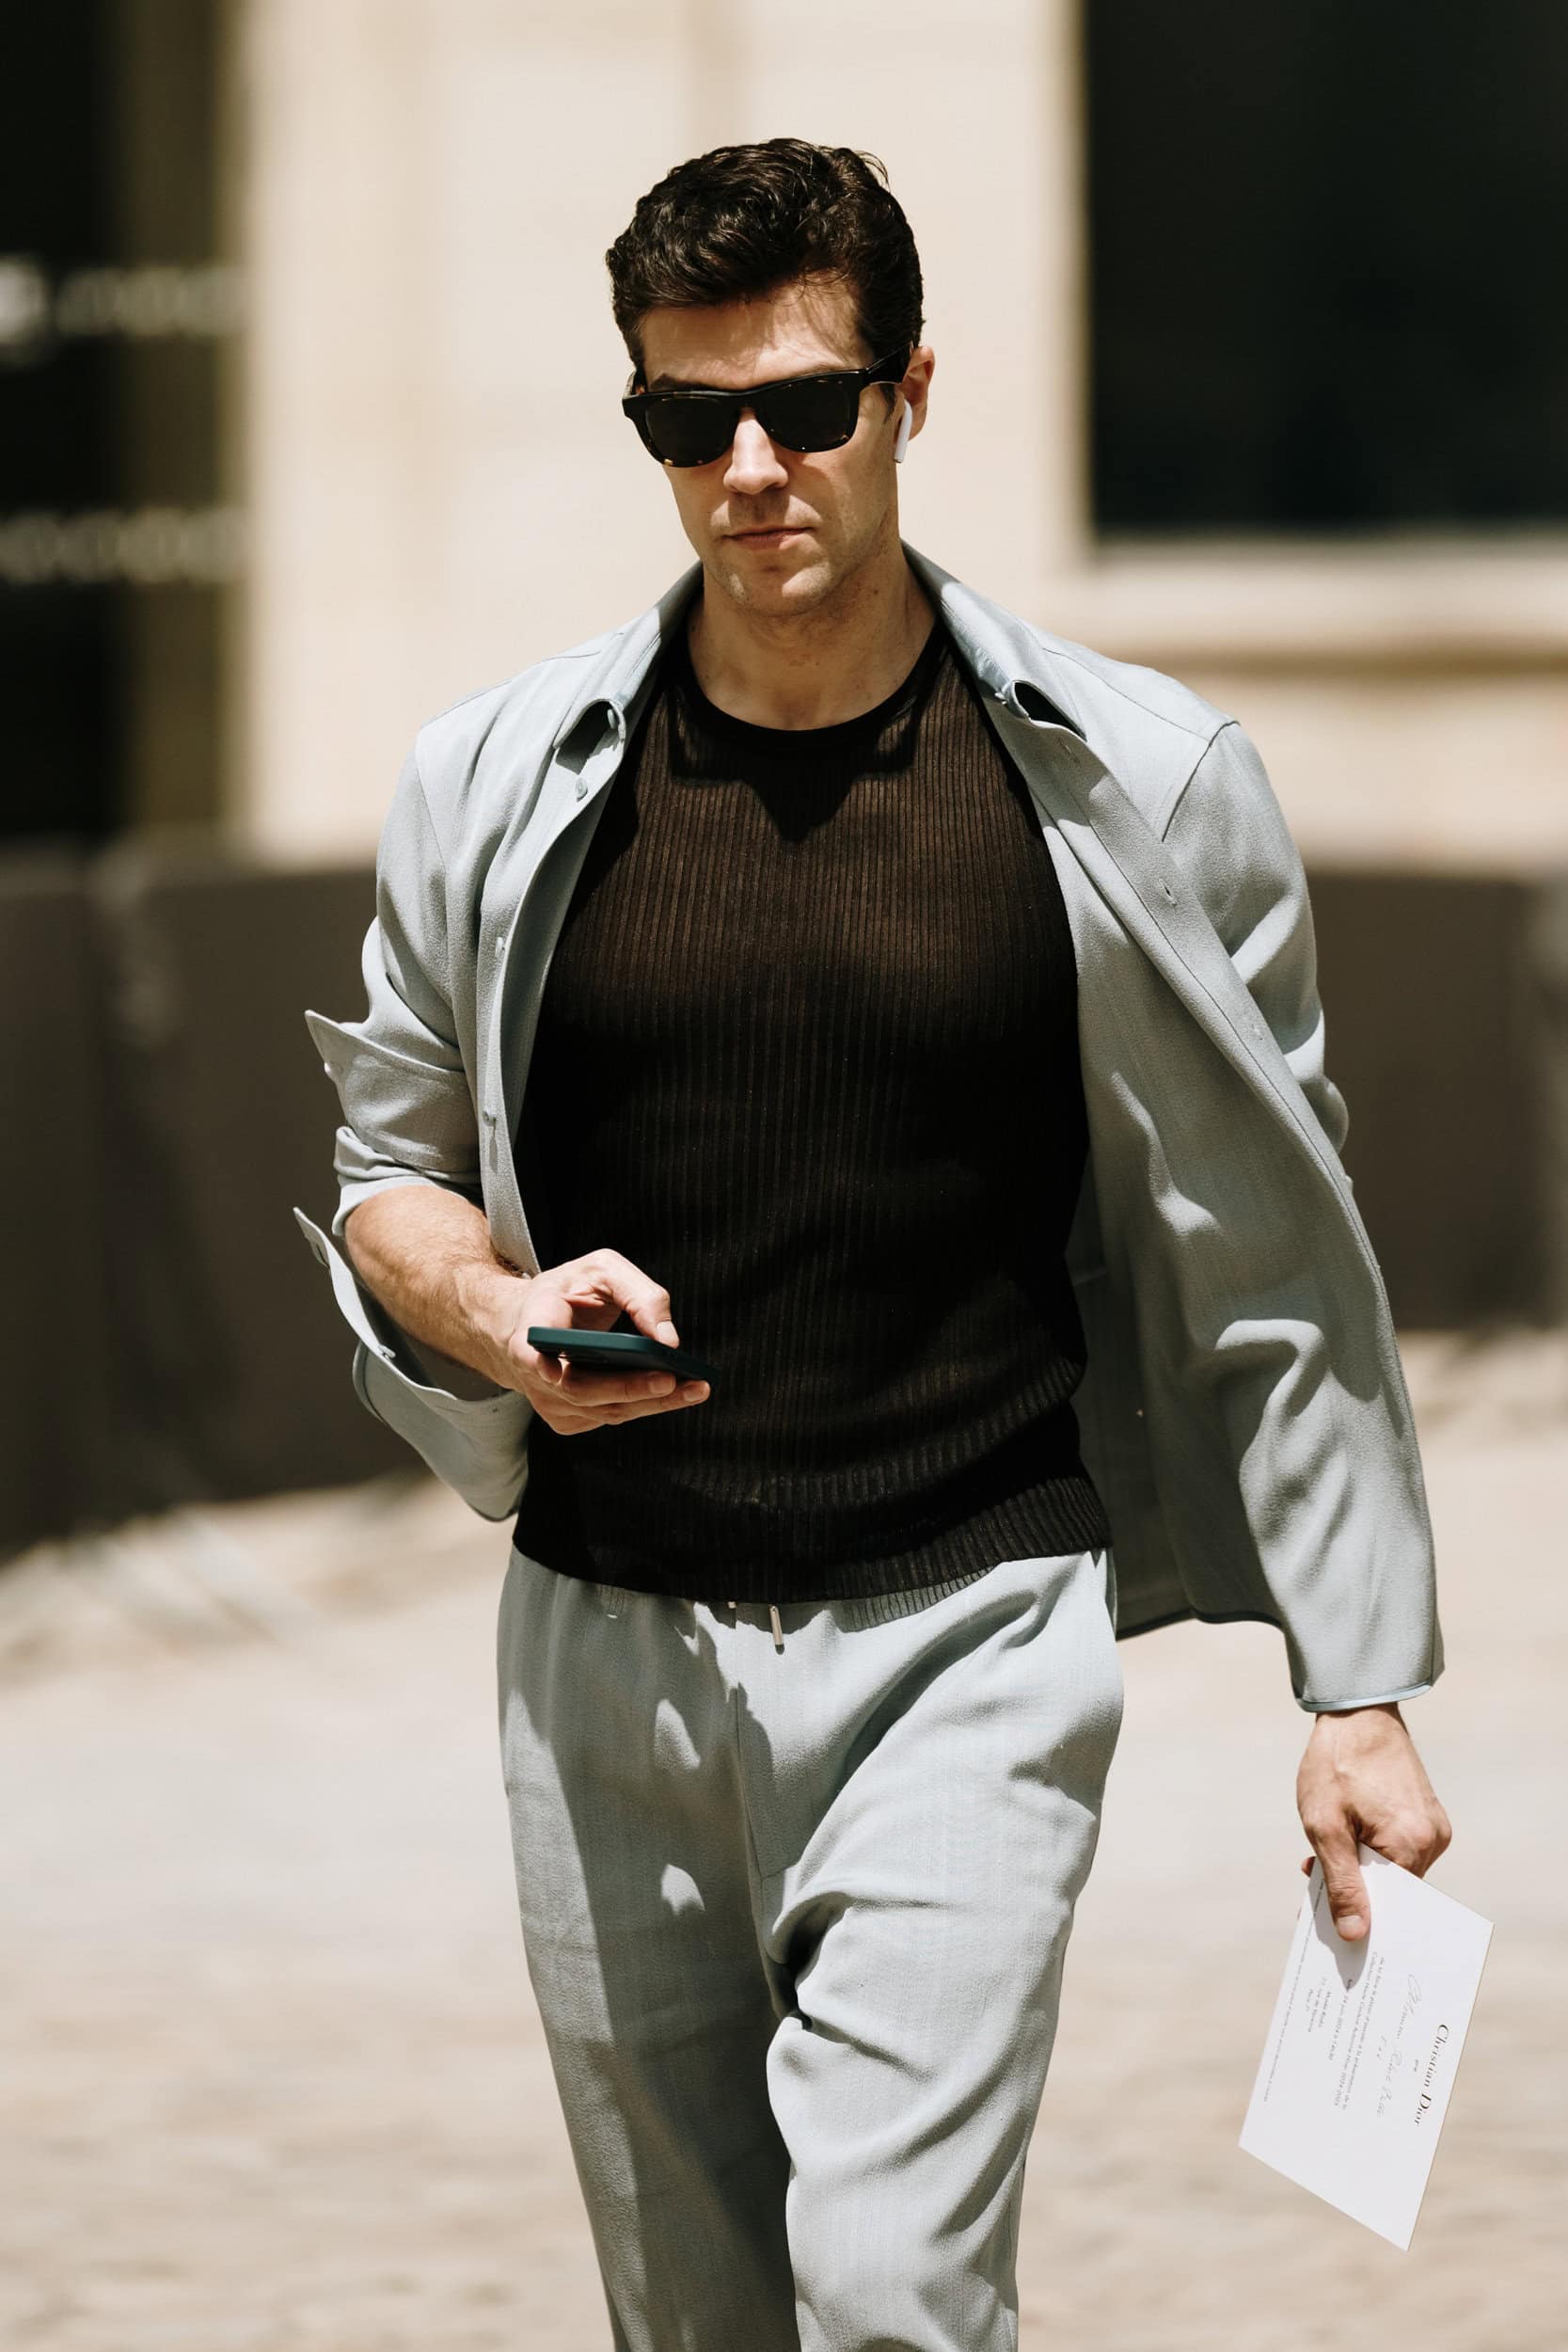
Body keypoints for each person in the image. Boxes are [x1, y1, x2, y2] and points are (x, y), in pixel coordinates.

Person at [294, 137, 1451, 2352]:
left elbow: (1274, 1265)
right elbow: (385, 1169)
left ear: (912, 390)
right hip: (602, 1652)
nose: (749, 471)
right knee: (699, 2319)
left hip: (966, 1626)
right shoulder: (495, 779)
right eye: (686, 420)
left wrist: (1359, 1686)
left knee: (895, 2290)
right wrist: (498, 1309)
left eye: (804, 407)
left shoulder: (1141, 786)